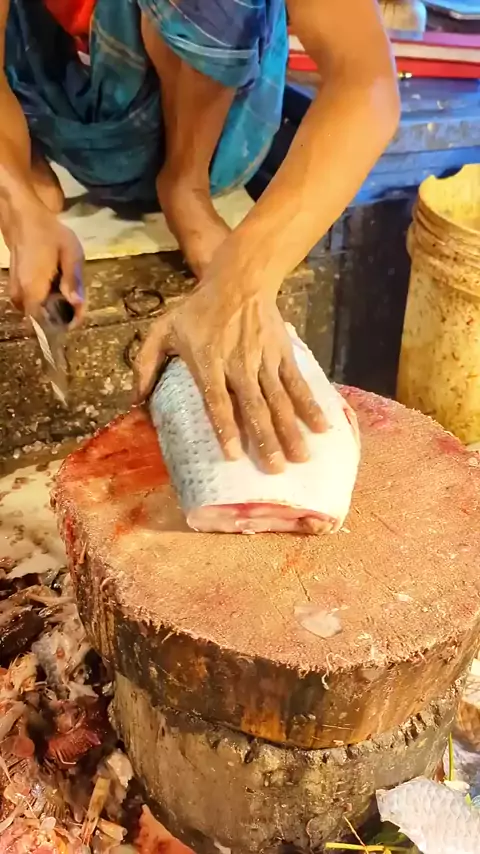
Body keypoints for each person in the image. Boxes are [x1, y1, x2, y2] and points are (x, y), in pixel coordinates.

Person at [0, 0, 400, 471]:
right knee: (29, 190)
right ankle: (22, 154)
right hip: (54, 102)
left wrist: (244, 277)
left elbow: (367, 82)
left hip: (217, 125)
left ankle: (184, 181)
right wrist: (17, 206)